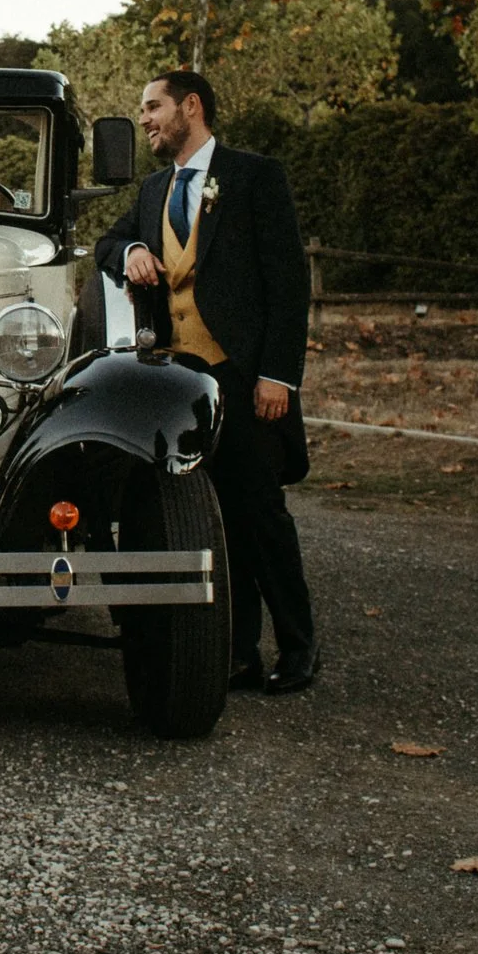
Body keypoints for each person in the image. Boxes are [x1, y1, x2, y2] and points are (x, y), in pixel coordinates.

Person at [95, 70, 319, 695]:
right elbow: (104, 244)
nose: (144, 121)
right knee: (213, 521)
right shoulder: (153, 190)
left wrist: (278, 376)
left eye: (152, 107)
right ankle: (240, 651)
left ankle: (300, 647)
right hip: (180, 384)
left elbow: (287, 284)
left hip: (245, 379)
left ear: (190, 107)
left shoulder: (255, 176)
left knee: (261, 517)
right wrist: (133, 249)